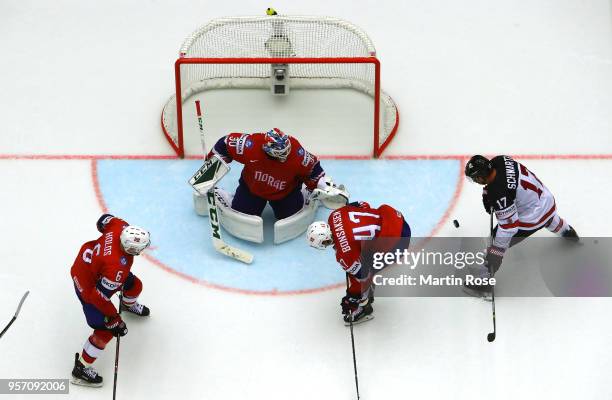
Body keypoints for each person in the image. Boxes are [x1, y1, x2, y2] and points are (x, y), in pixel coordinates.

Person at [464, 155, 579, 297]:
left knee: (495, 241)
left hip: (534, 216)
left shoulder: (499, 193)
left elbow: (510, 227)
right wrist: (490, 193)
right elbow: (510, 184)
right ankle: (567, 232)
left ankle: (483, 282)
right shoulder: (500, 160)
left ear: (481, 176)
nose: (476, 182)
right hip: (546, 200)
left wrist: (496, 251)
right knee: (547, 217)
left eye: (475, 179)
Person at [70, 214, 151, 387]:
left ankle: (127, 304)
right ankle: (81, 368)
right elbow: (97, 297)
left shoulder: (120, 226)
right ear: (131, 249)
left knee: (134, 285)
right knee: (105, 331)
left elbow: (103, 220)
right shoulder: (117, 269)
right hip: (87, 285)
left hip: (87, 264)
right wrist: (114, 318)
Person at [307, 201, 411, 324]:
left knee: (364, 272)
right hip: (396, 218)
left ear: (327, 240)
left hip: (398, 240)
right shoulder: (335, 214)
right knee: (360, 258)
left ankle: (363, 307)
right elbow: (363, 205)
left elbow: (363, 277)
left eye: (323, 243)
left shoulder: (344, 255)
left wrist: (352, 298)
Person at [208, 128, 337, 220]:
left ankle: (307, 193)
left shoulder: (297, 153)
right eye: (281, 154)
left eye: (286, 151)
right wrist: (210, 168)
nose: (285, 156)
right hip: (252, 189)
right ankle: (219, 194)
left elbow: (313, 169)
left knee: (291, 215)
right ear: (267, 150)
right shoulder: (251, 145)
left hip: (285, 193)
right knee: (242, 213)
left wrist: (321, 186)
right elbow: (224, 144)